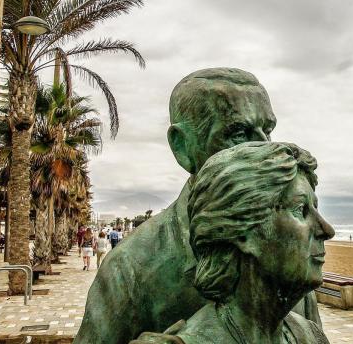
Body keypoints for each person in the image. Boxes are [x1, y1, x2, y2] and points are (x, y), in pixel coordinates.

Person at [76, 68, 320, 344]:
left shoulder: (287, 253)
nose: (264, 148)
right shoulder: (130, 269)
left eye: (267, 130)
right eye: (239, 133)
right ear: (182, 146)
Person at [132, 142, 333, 343]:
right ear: (243, 232)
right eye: (300, 209)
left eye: (316, 208)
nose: (327, 230)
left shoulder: (311, 336)